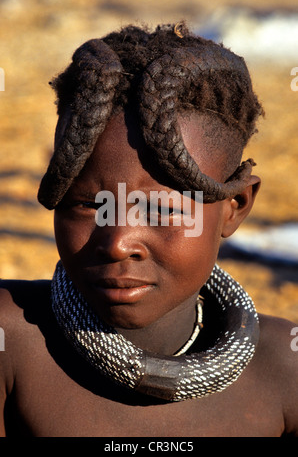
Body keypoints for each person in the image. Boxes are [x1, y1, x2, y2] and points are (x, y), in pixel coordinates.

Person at [0, 22, 297, 438]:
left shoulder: (285, 371)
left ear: (234, 207)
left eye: (160, 209)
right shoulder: (12, 342)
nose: (118, 242)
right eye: (89, 204)